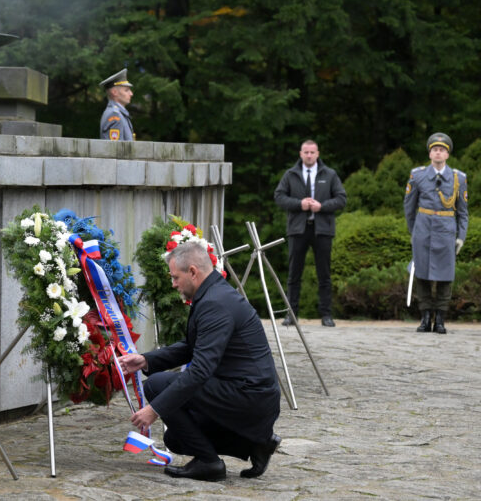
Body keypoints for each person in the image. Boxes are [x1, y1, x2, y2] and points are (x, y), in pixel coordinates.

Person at [118, 242, 281, 481]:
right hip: (245, 394)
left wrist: (154, 409)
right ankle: (255, 444)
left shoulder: (215, 303)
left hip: (249, 396)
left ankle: (209, 463)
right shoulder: (215, 294)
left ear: (193, 271)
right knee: (174, 439)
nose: (173, 284)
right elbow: (191, 347)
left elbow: (201, 370)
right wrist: (144, 360)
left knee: (157, 385)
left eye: (175, 277)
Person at [274, 140, 347, 327]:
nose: (308, 155)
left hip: (322, 229)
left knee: (324, 274)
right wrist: (300, 204)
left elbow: (341, 198)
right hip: (298, 229)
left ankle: (326, 315)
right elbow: (279, 197)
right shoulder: (291, 174)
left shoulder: (329, 174)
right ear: (300, 154)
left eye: (312, 152)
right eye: (305, 152)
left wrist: (321, 207)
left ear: (317, 154)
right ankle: (291, 314)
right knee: (294, 274)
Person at [404, 133, 468, 334]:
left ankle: (440, 318)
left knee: (445, 276)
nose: (438, 152)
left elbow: (463, 211)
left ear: (447, 154)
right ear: (430, 153)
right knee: (422, 274)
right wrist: (414, 231)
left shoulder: (459, 178)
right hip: (423, 230)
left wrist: (461, 236)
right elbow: (409, 207)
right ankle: (424, 318)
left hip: (446, 232)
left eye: (442, 149)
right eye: (434, 149)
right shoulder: (418, 175)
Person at [99, 68, 135, 141]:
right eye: (126, 90)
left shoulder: (119, 114)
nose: (131, 94)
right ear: (114, 92)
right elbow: (115, 150)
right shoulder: (114, 115)